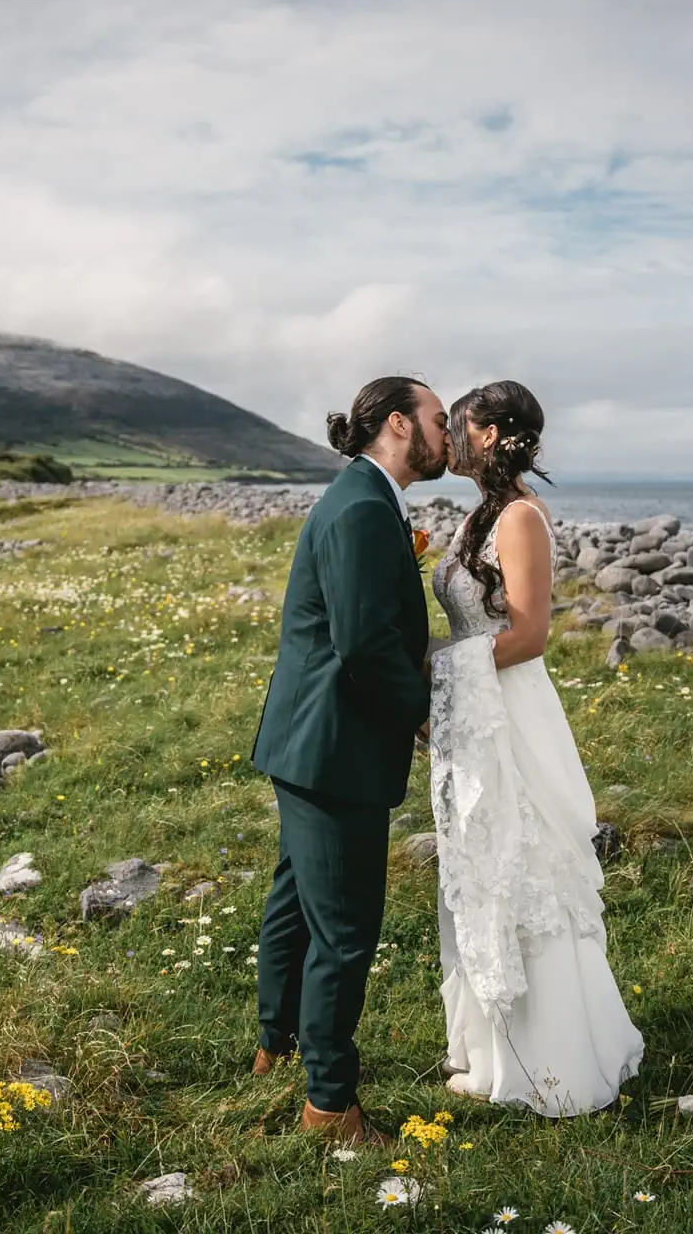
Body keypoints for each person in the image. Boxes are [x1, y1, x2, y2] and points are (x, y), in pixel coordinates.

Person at [427, 380, 644, 1116]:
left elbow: (528, 635)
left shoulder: (519, 517)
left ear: (486, 432)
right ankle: (492, 1052)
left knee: (525, 867)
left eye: (457, 424)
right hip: (475, 706)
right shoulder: (480, 514)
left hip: (506, 711)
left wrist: (437, 668)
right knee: (482, 868)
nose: (448, 437)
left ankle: (551, 1060)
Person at [249, 375, 450, 1146]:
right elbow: (363, 642)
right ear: (398, 425)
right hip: (335, 747)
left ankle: (277, 1044)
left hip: (308, 740)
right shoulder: (365, 509)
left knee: (298, 899)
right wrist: (423, 712)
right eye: (438, 419)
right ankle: (331, 1106)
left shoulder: (362, 499)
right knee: (345, 929)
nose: (447, 434)